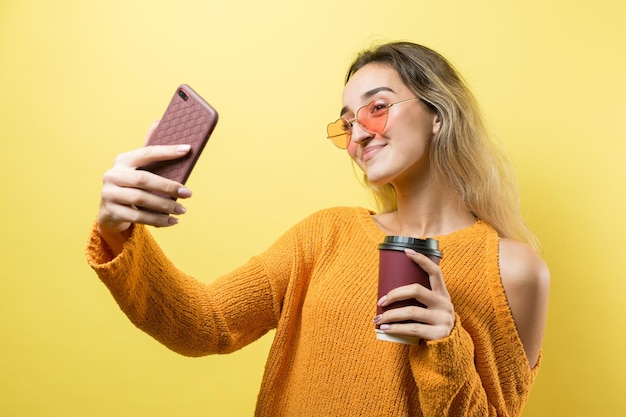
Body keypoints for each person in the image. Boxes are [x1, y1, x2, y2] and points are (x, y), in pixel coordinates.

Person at [86, 41, 550, 416]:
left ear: (438, 114)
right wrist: (116, 230)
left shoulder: (514, 270)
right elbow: (207, 324)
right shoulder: (325, 235)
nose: (359, 134)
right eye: (347, 124)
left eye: (377, 108)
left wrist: (447, 345)